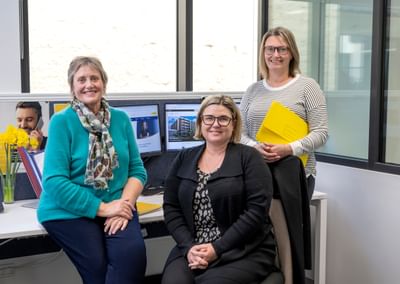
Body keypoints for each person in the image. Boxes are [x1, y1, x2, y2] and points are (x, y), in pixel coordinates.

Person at [37, 56, 147, 284]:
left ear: (104, 83)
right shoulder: (62, 121)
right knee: (97, 268)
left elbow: (137, 170)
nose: (89, 84)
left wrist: (124, 205)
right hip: (69, 210)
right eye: (82, 79)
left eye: (94, 78)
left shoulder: (121, 119)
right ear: (73, 87)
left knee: (132, 259)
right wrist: (104, 208)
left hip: (118, 203)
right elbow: (54, 181)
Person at [162, 94, 277, 284]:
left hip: (243, 249)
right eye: (209, 118)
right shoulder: (184, 158)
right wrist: (189, 248)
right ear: (200, 122)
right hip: (193, 249)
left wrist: (217, 248)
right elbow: (171, 207)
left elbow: (256, 211)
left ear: (233, 125)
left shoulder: (249, 158)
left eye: (223, 119)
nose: (215, 124)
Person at [240, 26, 328, 200]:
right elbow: (238, 133)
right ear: (263, 53)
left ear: (292, 53)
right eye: (270, 49)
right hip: (257, 173)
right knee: (257, 227)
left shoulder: (307, 87)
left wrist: (288, 149)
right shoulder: (252, 90)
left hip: (295, 174)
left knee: (288, 227)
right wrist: (254, 147)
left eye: (282, 49)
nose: (276, 55)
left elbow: (321, 133)